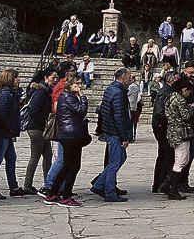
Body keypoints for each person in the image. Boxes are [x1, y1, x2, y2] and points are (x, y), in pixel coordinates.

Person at [44, 77, 88, 208]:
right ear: (69, 85)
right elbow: (81, 111)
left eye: (80, 83)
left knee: (68, 165)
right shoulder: (68, 97)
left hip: (69, 134)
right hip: (71, 134)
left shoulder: (66, 96)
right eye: (77, 83)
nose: (79, 86)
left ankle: (53, 193)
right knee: (73, 166)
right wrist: (83, 98)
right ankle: (66, 195)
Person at [93, 67, 135, 202]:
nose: (131, 79)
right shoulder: (118, 93)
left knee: (119, 159)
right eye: (129, 76)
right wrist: (124, 137)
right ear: (122, 77)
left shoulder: (112, 89)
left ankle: (101, 184)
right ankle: (107, 190)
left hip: (110, 130)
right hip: (115, 132)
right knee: (115, 162)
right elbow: (119, 116)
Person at [0, 69, 27, 198]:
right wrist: (10, 128)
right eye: (16, 78)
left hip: (6, 131)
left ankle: (13, 186)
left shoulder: (9, 93)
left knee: (11, 158)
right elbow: (2, 113)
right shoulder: (5, 94)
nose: (19, 80)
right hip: (2, 132)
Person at [162, 78, 194, 200]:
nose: (189, 94)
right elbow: (186, 115)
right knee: (181, 160)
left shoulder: (170, 97)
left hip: (173, 131)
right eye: (188, 91)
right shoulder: (179, 99)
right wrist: (192, 107)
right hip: (180, 132)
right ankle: (172, 189)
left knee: (182, 158)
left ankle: (169, 185)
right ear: (183, 89)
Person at [22, 71, 56, 196]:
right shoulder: (41, 92)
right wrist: (44, 121)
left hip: (41, 128)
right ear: (46, 78)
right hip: (37, 128)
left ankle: (49, 183)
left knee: (48, 155)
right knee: (35, 157)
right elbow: (33, 110)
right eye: (53, 78)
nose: (55, 80)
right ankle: (27, 185)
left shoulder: (45, 91)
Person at [174, 61, 194, 190]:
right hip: (184, 124)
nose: (193, 75)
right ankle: (177, 182)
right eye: (191, 72)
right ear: (185, 71)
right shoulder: (180, 83)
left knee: (191, 153)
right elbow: (186, 102)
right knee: (184, 155)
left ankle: (183, 181)